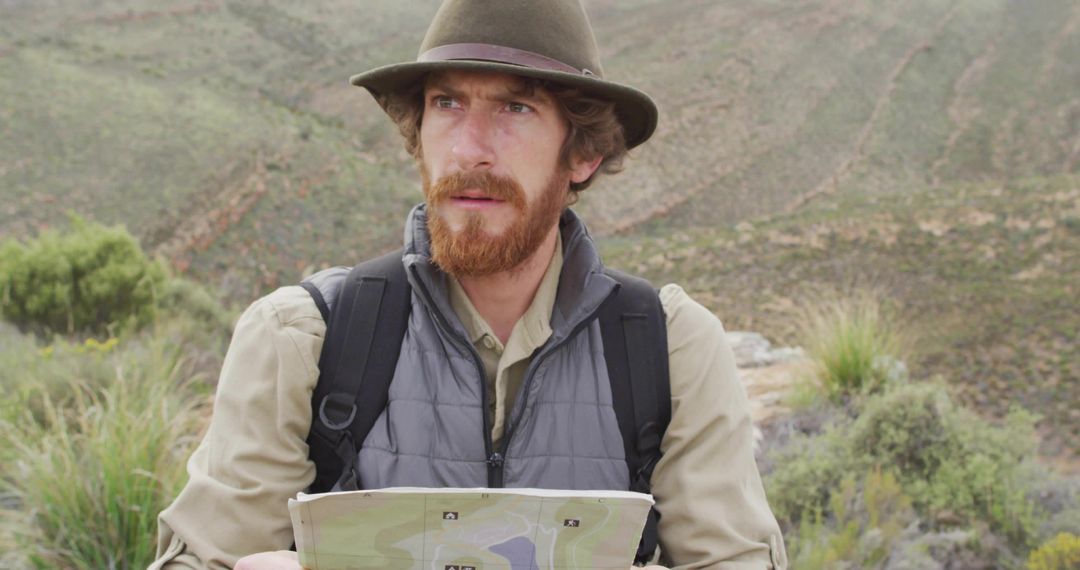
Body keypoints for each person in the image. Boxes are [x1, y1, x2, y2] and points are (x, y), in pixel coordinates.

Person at [150, 0, 787, 568]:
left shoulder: (669, 349)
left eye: (516, 107)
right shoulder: (302, 340)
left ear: (583, 153)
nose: (470, 149)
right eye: (446, 103)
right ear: (419, 134)